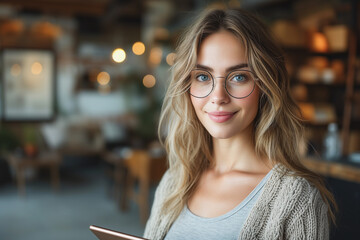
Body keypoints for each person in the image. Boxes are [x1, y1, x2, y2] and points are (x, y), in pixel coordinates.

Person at [144, 7, 336, 240]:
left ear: (265, 86)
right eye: (203, 77)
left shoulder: (298, 200)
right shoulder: (174, 182)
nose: (218, 97)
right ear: (188, 86)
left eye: (238, 77)